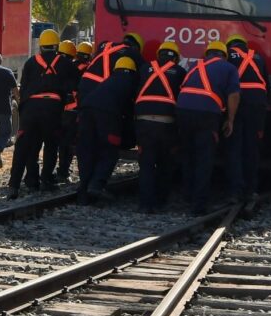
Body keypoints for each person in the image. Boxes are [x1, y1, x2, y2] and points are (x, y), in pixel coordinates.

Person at [176, 41, 240, 216]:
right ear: (224, 55)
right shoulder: (229, 68)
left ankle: (187, 196)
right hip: (206, 114)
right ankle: (199, 205)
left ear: (208, 53)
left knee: (189, 155)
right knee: (204, 159)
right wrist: (231, 119)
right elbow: (233, 94)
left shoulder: (195, 65)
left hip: (182, 110)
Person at [9, 29, 73, 198]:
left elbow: (24, 86)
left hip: (30, 109)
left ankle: (16, 185)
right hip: (51, 109)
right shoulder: (65, 63)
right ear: (56, 45)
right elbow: (73, 86)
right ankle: (46, 180)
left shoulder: (31, 62)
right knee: (51, 146)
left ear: (40, 46)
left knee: (25, 147)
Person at [77, 56, 139, 203]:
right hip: (107, 114)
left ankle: (83, 190)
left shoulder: (109, 80)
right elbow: (130, 111)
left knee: (87, 150)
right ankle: (97, 185)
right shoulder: (131, 82)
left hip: (86, 110)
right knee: (109, 151)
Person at [135, 41, 186, 213]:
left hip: (143, 121)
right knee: (166, 163)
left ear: (159, 55)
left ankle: (144, 204)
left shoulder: (144, 68)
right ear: (176, 58)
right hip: (166, 123)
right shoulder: (180, 72)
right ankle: (160, 201)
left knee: (147, 164)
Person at [225, 35, 268, 208]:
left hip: (238, 102)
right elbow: (266, 85)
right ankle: (251, 190)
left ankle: (235, 191)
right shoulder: (257, 56)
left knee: (234, 148)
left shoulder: (228, 56)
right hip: (258, 104)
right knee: (252, 148)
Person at [57, 41, 94, 182]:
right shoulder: (88, 69)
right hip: (76, 111)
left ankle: (62, 171)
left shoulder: (67, 66)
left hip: (63, 110)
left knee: (63, 143)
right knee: (74, 143)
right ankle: (68, 172)